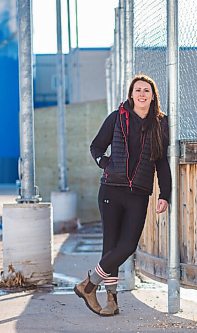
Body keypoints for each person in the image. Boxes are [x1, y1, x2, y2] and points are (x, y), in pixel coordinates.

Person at [74, 74, 171, 316]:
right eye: (137, 90)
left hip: (138, 193)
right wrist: (106, 163)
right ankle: (112, 302)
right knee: (111, 247)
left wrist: (164, 194)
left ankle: (88, 284)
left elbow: (162, 162)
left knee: (127, 245)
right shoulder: (117, 117)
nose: (141, 94)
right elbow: (96, 146)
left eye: (146, 90)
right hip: (111, 190)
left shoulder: (161, 123)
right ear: (131, 94)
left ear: (152, 96)